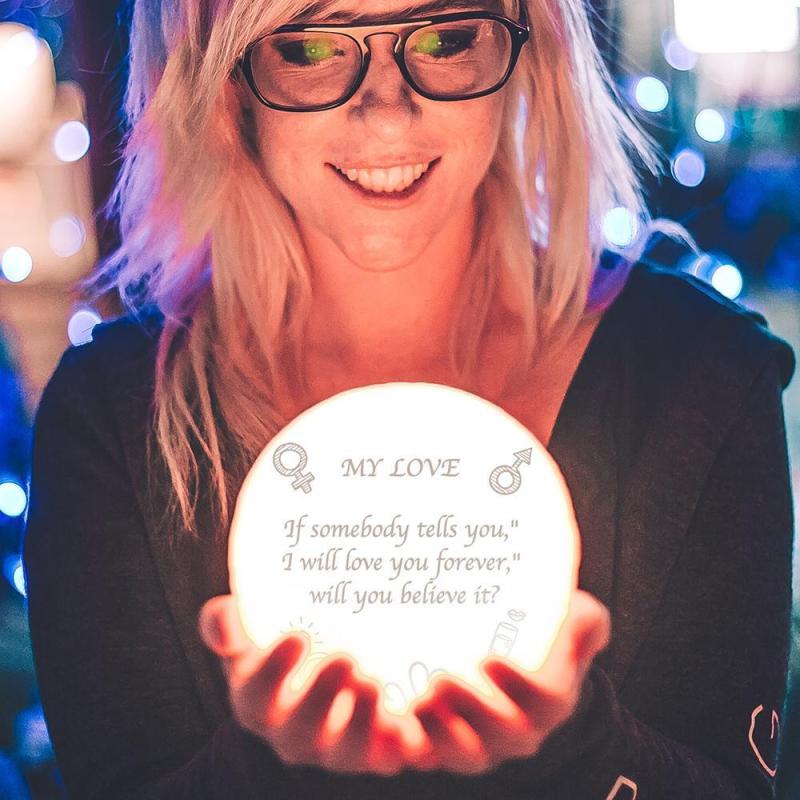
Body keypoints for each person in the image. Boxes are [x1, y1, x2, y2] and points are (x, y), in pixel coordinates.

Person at [22, 0, 796, 798]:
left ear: (530, 52)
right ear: (222, 80)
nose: (387, 111)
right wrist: (270, 766)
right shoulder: (113, 418)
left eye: (445, 38)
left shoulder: (698, 376)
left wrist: (575, 747)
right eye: (311, 47)